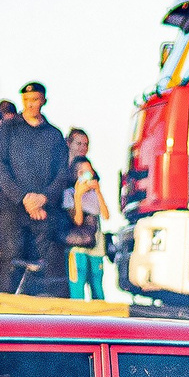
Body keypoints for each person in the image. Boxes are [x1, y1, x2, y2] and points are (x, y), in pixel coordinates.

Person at [0, 81, 69, 294]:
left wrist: (44, 198)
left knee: (42, 268)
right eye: (26, 100)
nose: (30, 104)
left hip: (44, 212)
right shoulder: (6, 130)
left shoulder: (54, 135)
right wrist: (23, 198)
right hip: (12, 208)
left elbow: (62, 173)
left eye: (35, 100)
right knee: (10, 262)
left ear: (44, 100)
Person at [64, 127, 108, 300]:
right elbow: (76, 219)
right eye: (79, 143)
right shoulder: (68, 187)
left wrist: (97, 191)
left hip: (95, 240)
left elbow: (106, 214)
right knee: (78, 279)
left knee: (97, 281)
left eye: (86, 144)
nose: (83, 147)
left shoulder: (93, 190)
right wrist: (78, 195)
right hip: (76, 239)